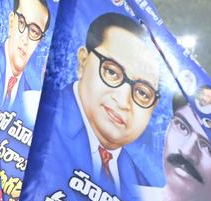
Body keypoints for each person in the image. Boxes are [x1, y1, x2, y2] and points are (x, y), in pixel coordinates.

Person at [52, 12, 161, 189]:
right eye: (112, 72)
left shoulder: (142, 190)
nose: (123, 102)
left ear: (153, 107)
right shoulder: (36, 121)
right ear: (83, 62)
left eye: (142, 92)